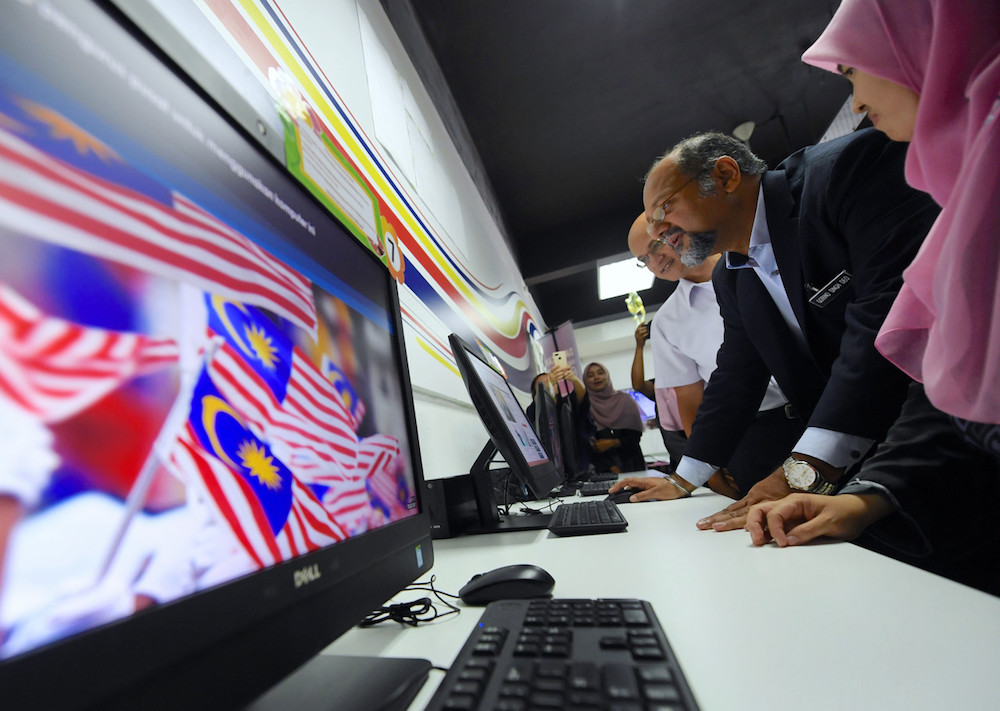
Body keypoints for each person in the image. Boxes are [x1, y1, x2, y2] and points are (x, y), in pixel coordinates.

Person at [746, 0, 1000, 557]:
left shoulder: (844, 175)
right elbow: (948, 391)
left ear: (927, 45)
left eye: (853, 72)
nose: (857, 101)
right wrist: (867, 497)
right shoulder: (972, 192)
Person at [634, 129, 943, 538]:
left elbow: (882, 321)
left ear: (725, 176)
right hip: (864, 460)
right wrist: (682, 478)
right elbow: (737, 376)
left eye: (664, 208)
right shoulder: (732, 276)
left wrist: (804, 469)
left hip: (936, 430)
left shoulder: (843, 174)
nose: (658, 232)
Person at [614, 213, 802, 501]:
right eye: (644, 259)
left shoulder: (758, 264)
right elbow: (692, 403)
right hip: (754, 436)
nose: (655, 261)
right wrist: (708, 474)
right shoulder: (668, 321)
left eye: (655, 246)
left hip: (816, 409)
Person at [581, 362, 646, 474]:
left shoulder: (625, 400)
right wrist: (611, 467)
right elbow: (587, 443)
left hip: (633, 465)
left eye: (600, 373)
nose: (596, 377)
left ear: (607, 375)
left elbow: (635, 437)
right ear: (585, 381)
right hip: (603, 470)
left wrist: (613, 442)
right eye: (590, 375)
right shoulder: (586, 407)